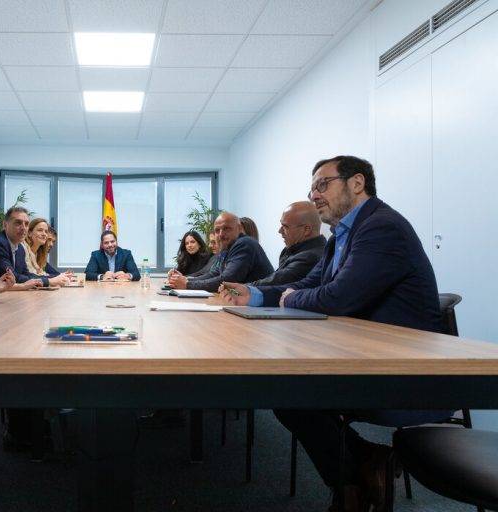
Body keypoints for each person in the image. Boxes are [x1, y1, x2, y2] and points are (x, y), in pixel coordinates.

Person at [220, 156, 448, 512]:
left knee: (288, 391)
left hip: (403, 370)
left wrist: (289, 298)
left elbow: (337, 298)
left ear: (357, 183)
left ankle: (356, 476)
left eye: (322, 185)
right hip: (360, 354)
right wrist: (255, 295)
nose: (314, 195)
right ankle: (362, 467)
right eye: (312, 188)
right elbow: (308, 285)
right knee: (284, 389)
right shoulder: (339, 237)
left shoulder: (382, 226)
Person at [168, 212, 273, 292]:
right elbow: (213, 274)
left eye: (226, 228)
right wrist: (183, 280)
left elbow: (227, 279)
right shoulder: (227, 248)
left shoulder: (244, 243)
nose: (221, 234)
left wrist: (187, 284)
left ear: (240, 228)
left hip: (263, 306)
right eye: (217, 230)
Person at [247, 201, 326, 287]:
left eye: (285, 226)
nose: (280, 231)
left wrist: (238, 290)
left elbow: (271, 284)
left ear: (306, 230)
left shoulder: (309, 258)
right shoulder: (292, 250)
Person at [0, 206, 46, 290]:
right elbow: (11, 278)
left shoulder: (20, 248)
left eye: (26, 224)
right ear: (5, 225)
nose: (23, 228)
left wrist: (47, 280)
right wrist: (47, 281)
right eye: (18, 223)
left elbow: (25, 273)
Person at [24, 218, 71, 286]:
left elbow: (42, 274)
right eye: (40, 230)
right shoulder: (23, 249)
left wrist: (60, 276)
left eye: (46, 231)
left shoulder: (39, 254)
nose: (44, 234)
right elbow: (28, 276)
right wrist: (55, 278)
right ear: (29, 233)